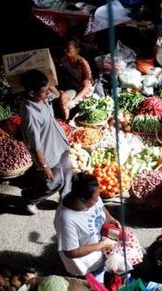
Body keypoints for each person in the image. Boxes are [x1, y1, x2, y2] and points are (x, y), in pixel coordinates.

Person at [20, 69, 73, 215]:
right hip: (48, 153)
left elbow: (56, 94)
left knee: (68, 174)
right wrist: (44, 166)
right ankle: (30, 197)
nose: (47, 93)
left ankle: (65, 201)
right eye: (44, 91)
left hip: (59, 144)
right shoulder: (30, 114)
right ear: (31, 93)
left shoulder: (41, 97)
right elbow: (35, 144)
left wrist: (47, 83)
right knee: (53, 183)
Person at [54, 172, 120, 278]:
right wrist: (101, 245)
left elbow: (100, 205)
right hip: (85, 264)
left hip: (99, 252)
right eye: (95, 199)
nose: (98, 199)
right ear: (82, 200)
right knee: (95, 283)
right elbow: (71, 252)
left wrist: (109, 218)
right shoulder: (66, 219)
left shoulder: (92, 194)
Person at [59, 38, 93, 120]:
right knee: (63, 98)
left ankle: (67, 119)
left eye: (68, 48)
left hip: (84, 90)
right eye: (65, 48)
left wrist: (74, 101)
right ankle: (65, 119)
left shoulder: (83, 64)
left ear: (77, 50)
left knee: (71, 103)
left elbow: (87, 87)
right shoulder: (64, 60)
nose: (65, 50)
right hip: (73, 88)